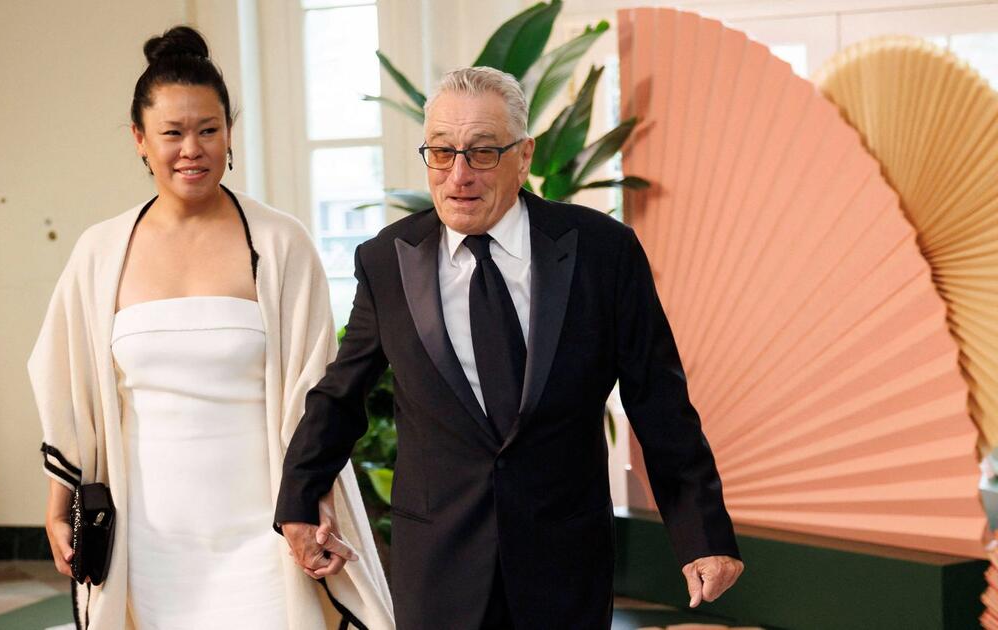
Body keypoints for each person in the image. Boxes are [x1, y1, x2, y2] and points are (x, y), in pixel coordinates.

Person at [275, 66, 744, 629]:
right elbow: (340, 395)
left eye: (482, 153)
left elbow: (658, 399)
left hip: (565, 561)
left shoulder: (602, 252)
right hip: (437, 565)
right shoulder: (387, 259)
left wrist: (703, 534)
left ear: (524, 156)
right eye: (442, 153)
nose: (459, 175)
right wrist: (300, 501)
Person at [29, 25, 393, 629]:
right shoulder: (101, 252)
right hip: (149, 539)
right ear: (140, 140)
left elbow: (315, 392)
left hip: (265, 530)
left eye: (208, 130)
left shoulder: (281, 243)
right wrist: (58, 505)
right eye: (172, 133)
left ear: (229, 134)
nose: (191, 149)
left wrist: (313, 503)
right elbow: (64, 385)